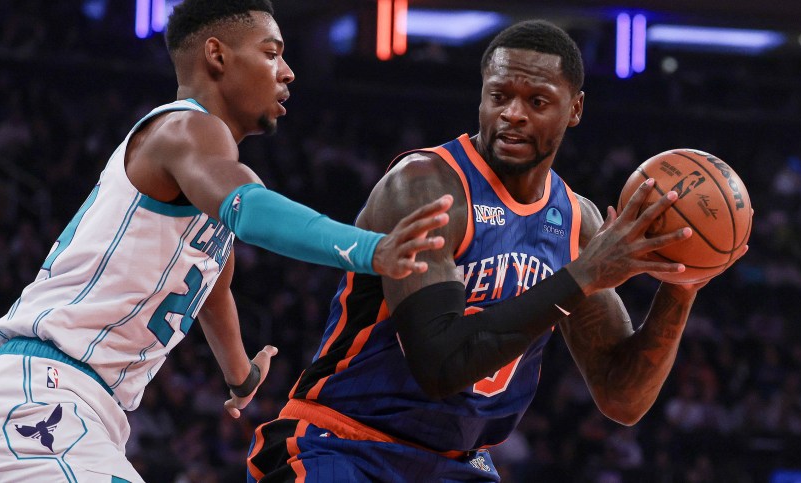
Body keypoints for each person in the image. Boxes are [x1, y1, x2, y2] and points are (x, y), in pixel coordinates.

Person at [0, 1, 453, 481]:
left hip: (88, 411)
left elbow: (212, 295)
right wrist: (370, 249)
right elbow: (251, 210)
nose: (288, 73)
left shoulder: (199, 186)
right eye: (271, 53)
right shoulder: (184, 128)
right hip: (43, 394)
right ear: (217, 56)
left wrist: (242, 377)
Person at [246, 19, 747, 482]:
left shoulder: (577, 222)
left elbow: (622, 397)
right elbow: (439, 365)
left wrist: (682, 288)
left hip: (455, 465)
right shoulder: (426, 187)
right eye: (499, 95)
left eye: (537, 101)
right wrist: (581, 277)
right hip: (340, 444)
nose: (513, 114)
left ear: (574, 109)